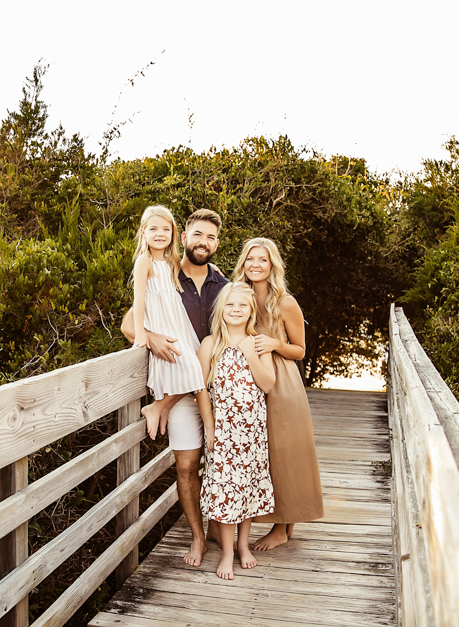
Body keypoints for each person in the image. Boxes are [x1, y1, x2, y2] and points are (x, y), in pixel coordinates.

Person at [121, 208, 229, 567]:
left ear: (217, 243)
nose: (203, 242)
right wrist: (148, 337)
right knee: (187, 464)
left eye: (211, 237)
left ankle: (218, 527)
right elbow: (129, 322)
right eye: (197, 235)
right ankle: (198, 538)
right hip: (178, 377)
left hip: (219, 389)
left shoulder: (222, 284)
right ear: (183, 237)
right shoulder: (164, 271)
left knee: (223, 461)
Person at [232, 237, 324, 550]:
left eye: (263, 260)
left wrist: (275, 344)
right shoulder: (237, 297)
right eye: (250, 259)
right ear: (243, 263)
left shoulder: (285, 302)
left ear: (272, 265)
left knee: (285, 452)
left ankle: (283, 528)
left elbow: (300, 350)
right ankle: (256, 520)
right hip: (248, 383)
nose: (255, 265)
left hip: (283, 383)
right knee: (261, 453)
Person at [197, 283, 276, 580]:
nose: (236, 310)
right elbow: (200, 389)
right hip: (225, 432)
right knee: (226, 490)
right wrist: (209, 425)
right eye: (230, 305)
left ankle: (244, 545)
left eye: (242, 305)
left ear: (251, 311)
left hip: (253, 431)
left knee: (248, 487)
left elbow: (268, 385)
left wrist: (250, 353)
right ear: (221, 310)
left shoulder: (258, 343)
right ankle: (227, 552)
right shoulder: (210, 345)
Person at [131, 206, 208, 439]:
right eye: (153, 229)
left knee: (197, 369)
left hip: (177, 323)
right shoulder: (144, 261)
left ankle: (159, 407)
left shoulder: (170, 261)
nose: (160, 234)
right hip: (161, 324)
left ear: (173, 234)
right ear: (143, 232)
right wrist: (141, 333)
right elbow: (139, 300)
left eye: (166, 229)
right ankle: (157, 407)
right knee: (191, 368)